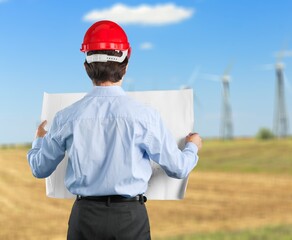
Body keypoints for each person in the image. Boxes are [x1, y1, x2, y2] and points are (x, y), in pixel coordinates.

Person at [27, 20, 202, 240]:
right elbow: (178, 168)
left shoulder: (65, 117)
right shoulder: (144, 117)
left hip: (85, 219)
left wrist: (39, 141)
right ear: (126, 63)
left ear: (86, 66)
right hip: (130, 220)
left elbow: (39, 168)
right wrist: (192, 147)